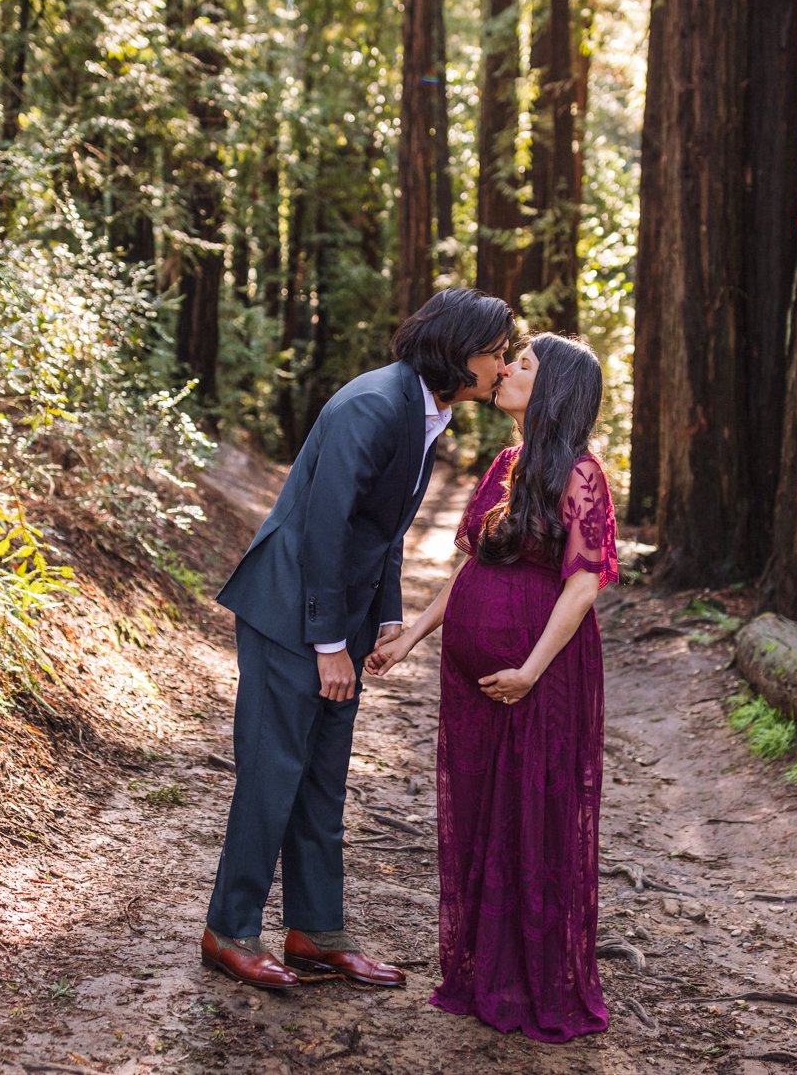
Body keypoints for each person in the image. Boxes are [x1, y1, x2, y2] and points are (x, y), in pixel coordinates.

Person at [201, 288, 517, 990]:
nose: (503, 367)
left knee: (322, 779)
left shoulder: (424, 410)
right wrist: (327, 643)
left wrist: (386, 617)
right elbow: (323, 527)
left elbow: (382, 529)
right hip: (290, 611)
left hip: (336, 614)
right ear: (459, 352)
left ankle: (316, 930)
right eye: (496, 354)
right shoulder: (372, 405)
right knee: (273, 772)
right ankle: (229, 929)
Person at [367, 332, 616, 1041]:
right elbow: (473, 569)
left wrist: (532, 669)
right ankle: (484, 974)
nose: (506, 369)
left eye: (524, 364)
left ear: (554, 388)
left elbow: (582, 587)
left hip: (539, 676)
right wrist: (414, 633)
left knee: (532, 817)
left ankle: (534, 984)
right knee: (482, 812)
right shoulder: (506, 463)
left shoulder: (581, 473)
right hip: (473, 680)